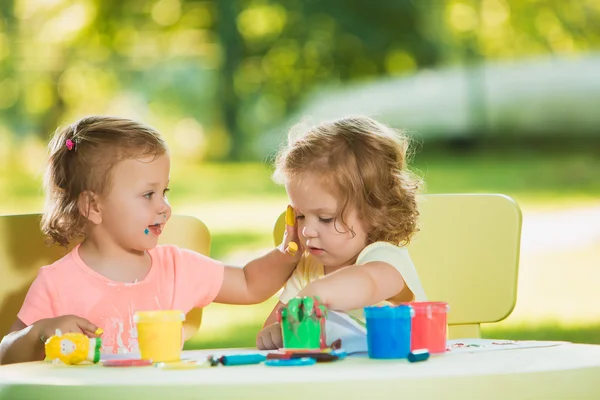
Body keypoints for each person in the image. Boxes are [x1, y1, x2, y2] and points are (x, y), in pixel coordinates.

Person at [0, 116, 300, 364]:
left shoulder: (176, 267)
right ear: (93, 206)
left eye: (164, 193)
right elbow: (6, 358)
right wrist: (39, 332)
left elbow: (249, 283)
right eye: (148, 195)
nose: (164, 207)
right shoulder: (57, 283)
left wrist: (287, 253)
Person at [256, 116, 427, 350]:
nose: (307, 230)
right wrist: (278, 332)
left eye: (326, 218)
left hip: (399, 377)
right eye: (300, 215)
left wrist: (318, 293)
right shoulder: (309, 270)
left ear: (375, 211)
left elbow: (368, 283)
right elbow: (277, 326)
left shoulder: (386, 259)